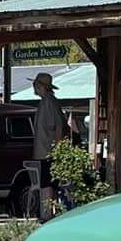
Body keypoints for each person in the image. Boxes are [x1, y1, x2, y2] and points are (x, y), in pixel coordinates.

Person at [30, 72, 70, 215]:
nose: (33, 86)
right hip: (45, 151)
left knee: (47, 184)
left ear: (41, 86)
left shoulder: (48, 102)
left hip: (48, 152)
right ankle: (48, 212)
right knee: (47, 183)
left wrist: (57, 151)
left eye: (35, 84)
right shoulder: (46, 101)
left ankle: (47, 213)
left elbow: (58, 126)